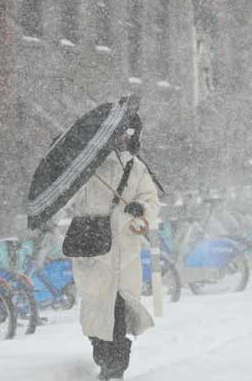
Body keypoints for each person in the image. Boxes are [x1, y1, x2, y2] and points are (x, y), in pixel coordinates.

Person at [68, 111, 160, 381]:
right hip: (92, 251)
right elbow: (71, 201)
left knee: (118, 309)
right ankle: (104, 356)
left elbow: (151, 202)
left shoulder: (136, 168)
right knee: (96, 309)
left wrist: (139, 208)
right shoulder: (82, 169)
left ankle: (116, 365)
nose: (122, 139)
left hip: (123, 255)